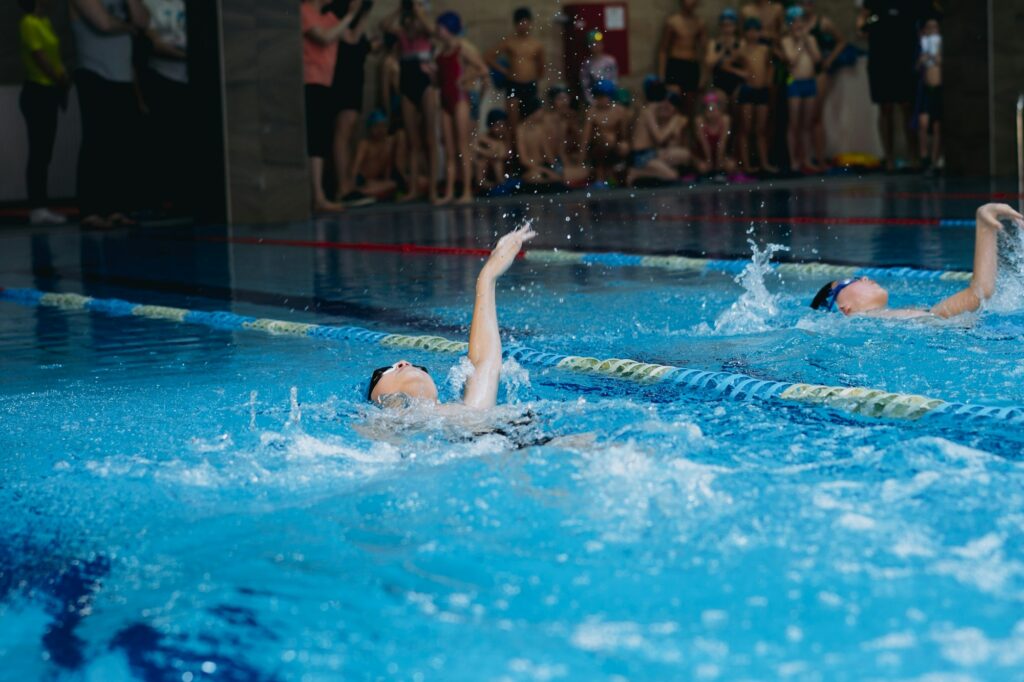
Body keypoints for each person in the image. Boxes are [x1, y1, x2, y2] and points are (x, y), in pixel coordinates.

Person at [367, 224, 537, 409]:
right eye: (383, 372)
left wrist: (487, 277)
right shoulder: (372, 429)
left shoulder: (465, 411)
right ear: (373, 403)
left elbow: (483, 363)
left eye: (420, 368)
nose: (403, 363)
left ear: (437, 396)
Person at [810, 204, 1023, 319]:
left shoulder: (882, 320)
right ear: (844, 308)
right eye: (853, 280)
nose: (864, 277)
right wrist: (984, 224)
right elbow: (979, 293)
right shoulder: (872, 319)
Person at [70, 0, 150, 229]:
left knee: (121, 144)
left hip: (123, 76)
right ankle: (91, 209)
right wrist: (129, 28)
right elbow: (103, 23)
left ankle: (116, 208)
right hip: (95, 72)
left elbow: (143, 21)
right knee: (96, 140)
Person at [382, 0, 440, 203]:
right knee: (412, 141)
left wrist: (418, 11)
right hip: (408, 80)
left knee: (430, 139)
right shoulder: (401, 31)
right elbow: (384, 26)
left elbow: (434, 30)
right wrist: (400, 8)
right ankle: (414, 189)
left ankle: (433, 189)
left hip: (424, 82)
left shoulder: (425, 27)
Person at [18, 0, 70, 225]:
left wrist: (63, 78)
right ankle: (37, 207)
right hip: (37, 92)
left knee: (45, 150)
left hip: (51, 92)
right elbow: (40, 57)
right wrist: (59, 78)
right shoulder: (28, 22)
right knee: (39, 150)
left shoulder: (45, 21)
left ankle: (41, 205)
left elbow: (55, 56)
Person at [858, 0, 925, 171]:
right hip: (881, 59)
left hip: (905, 58)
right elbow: (861, 27)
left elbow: (921, 28)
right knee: (885, 107)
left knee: (907, 106)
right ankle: (889, 158)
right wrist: (870, 23)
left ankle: (914, 156)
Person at [301, 0, 354, 212]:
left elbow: (351, 38)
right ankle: (317, 196)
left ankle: (319, 194)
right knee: (315, 138)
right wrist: (348, 18)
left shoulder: (330, 18)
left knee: (321, 137)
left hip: (325, 82)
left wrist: (358, 13)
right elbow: (324, 38)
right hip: (310, 79)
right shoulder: (304, 11)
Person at [140, 0, 189, 214]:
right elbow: (152, 41)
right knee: (162, 140)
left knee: (185, 142)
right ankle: (158, 200)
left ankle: (183, 198)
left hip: (188, 78)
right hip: (161, 75)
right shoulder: (149, 3)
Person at [435, 11, 488, 205]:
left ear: (448, 28)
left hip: (460, 100)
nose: (437, 30)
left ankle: (467, 191)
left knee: (463, 147)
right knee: (448, 149)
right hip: (444, 100)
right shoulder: (440, 51)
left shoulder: (463, 48)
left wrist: (465, 79)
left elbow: (482, 70)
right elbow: (439, 78)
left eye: (439, 27)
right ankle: (449, 192)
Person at [329, 0, 376, 207]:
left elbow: (359, 40)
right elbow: (349, 40)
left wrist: (364, 11)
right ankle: (342, 187)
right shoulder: (335, 15)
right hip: (341, 83)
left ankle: (347, 184)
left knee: (349, 133)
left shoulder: (355, 19)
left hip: (354, 82)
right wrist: (356, 12)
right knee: (342, 133)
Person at [801, 0, 847, 169]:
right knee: (802, 119)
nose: (806, 5)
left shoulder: (823, 22)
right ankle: (805, 158)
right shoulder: (795, 22)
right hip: (801, 73)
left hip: (819, 72)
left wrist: (830, 59)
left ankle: (819, 158)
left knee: (815, 116)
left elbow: (841, 41)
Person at [487, 7, 545, 135]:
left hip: (530, 85)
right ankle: (515, 153)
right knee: (513, 124)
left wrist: (535, 79)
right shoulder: (509, 42)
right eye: (520, 22)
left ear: (530, 23)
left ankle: (528, 152)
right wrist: (504, 70)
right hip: (513, 85)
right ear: (515, 24)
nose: (523, 25)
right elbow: (488, 57)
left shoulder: (537, 45)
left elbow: (541, 67)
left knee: (532, 123)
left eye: (525, 22)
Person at [626, 78, 691, 186]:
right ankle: (636, 173)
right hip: (641, 156)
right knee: (672, 176)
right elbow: (660, 138)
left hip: (651, 153)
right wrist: (673, 122)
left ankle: (654, 170)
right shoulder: (648, 112)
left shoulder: (651, 111)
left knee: (685, 155)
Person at [780, 5, 820, 173]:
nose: (798, 25)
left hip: (809, 82)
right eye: (794, 22)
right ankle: (794, 160)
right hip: (794, 83)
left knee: (807, 124)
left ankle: (806, 158)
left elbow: (817, 59)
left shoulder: (811, 39)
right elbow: (792, 61)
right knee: (794, 123)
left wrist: (806, 42)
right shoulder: (786, 41)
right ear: (789, 24)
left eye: (800, 21)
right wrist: (799, 43)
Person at [735, 17, 776, 173]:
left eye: (756, 31)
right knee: (745, 129)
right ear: (745, 33)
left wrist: (769, 80)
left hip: (762, 90)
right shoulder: (742, 49)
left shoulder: (764, 49)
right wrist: (741, 72)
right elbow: (726, 64)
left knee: (761, 129)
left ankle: (764, 163)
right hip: (747, 90)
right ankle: (746, 165)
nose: (753, 34)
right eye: (749, 31)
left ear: (760, 32)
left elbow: (771, 66)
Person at [658, 0, 705, 114]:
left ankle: (686, 130)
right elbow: (663, 49)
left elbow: (704, 51)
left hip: (691, 66)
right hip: (675, 64)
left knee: (689, 107)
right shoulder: (673, 21)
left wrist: (703, 76)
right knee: (673, 103)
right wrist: (661, 74)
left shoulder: (700, 23)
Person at [583, 80, 630, 187]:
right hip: (597, 146)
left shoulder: (620, 111)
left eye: (604, 96)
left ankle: (613, 175)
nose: (602, 100)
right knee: (605, 139)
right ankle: (601, 176)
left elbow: (624, 135)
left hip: (614, 146)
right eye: (599, 97)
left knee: (622, 145)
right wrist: (582, 159)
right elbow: (585, 137)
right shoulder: (591, 112)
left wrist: (621, 144)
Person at [543, 85, 590, 187]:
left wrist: (567, 164)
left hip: (557, 161)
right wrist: (555, 167)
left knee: (583, 170)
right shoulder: (546, 120)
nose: (564, 102)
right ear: (552, 102)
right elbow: (546, 148)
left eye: (566, 98)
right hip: (545, 162)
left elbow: (561, 149)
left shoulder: (563, 122)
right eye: (560, 99)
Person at [516, 96, 564, 188]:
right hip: (530, 168)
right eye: (540, 110)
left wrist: (555, 167)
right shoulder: (520, 130)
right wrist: (543, 170)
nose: (542, 113)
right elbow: (523, 159)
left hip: (544, 165)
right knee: (536, 177)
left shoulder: (540, 128)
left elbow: (547, 152)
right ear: (534, 112)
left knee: (567, 175)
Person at [351, 110, 398, 200]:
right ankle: (359, 193)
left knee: (392, 184)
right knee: (372, 185)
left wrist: (383, 183)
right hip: (362, 180)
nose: (380, 130)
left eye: (383, 126)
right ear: (370, 128)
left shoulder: (387, 146)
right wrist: (352, 185)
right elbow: (354, 168)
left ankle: (366, 193)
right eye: (376, 126)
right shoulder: (365, 145)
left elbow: (387, 169)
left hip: (375, 182)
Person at [917, 16, 942, 175]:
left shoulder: (941, 45)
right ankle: (924, 156)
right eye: (929, 28)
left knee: (937, 126)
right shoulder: (922, 46)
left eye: (935, 28)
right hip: (926, 89)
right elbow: (916, 67)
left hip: (939, 89)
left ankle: (935, 159)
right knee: (923, 122)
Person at [694, 89, 736, 176]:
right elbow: (704, 144)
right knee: (703, 168)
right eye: (710, 111)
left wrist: (718, 163)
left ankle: (717, 168)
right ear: (705, 112)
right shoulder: (699, 121)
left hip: (720, 155)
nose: (713, 114)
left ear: (720, 111)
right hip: (703, 155)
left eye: (715, 110)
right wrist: (709, 161)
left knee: (731, 166)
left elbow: (722, 143)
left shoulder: (725, 120)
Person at [705, 8, 745, 101]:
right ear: (720, 27)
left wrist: (731, 50)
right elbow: (709, 63)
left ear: (735, 27)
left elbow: (743, 61)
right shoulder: (713, 43)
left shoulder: (741, 43)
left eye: (730, 25)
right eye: (724, 26)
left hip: (737, 84)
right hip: (719, 85)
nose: (727, 29)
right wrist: (723, 50)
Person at [475, 109, 513, 192]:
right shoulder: (483, 137)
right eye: (497, 126)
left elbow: (505, 155)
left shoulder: (505, 138)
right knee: (481, 161)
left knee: (497, 160)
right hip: (486, 170)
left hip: (499, 170)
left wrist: (492, 152)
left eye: (503, 126)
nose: (500, 129)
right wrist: (490, 153)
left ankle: (501, 182)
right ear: (490, 126)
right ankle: (482, 183)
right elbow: (473, 148)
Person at [579, 29, 619, 105]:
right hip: (594, 100)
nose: (596, 46)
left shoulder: (610, 61)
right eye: (593, 44)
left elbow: (614, 81)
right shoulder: (586, 64)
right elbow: (585, 85)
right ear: (589, 46)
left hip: (609, 99)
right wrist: (592, 101)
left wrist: (610, 99)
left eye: (598, 43)